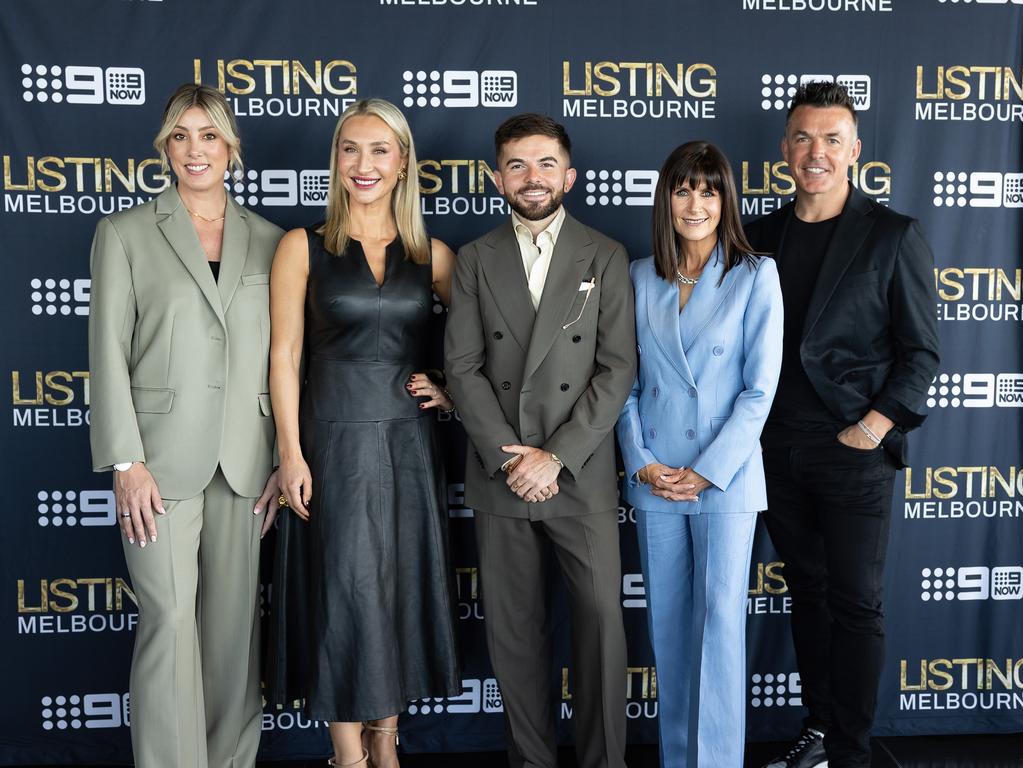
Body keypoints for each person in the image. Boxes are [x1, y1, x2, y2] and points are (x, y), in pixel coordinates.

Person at [88, 83, 284, 768]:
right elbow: (106, 352)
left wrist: (285, 457)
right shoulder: (124, 233)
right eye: (180, 136)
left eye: (207, 135)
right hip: (158, 463)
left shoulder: (272, 241)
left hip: (246, 463)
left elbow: (287, 358)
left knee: (232, 636)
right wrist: (123, 461)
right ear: (164, 148)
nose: (194, 150)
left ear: (231, 146)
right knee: (169, 622)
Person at [745, 82, 940, 768]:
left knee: (856, 603)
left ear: (854, 151)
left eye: (831, 139)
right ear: (784, 150)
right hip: (772, 452)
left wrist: (873, 427)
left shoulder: (893, 235)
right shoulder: (758, 236)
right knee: (807, 596)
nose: (815, 152)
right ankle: (820, 730)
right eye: (803, 138)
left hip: (853, 451)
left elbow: (921, 352)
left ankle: (853, 751)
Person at [266, 98, 460, 768]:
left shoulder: (431, 255)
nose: (364, 164)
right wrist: (290, 452)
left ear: (403, 162)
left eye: (380, 150)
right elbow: (284, 356)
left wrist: (450, 387)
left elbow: (478, 349)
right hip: (332, 440)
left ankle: (386, 738)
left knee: (396, 586)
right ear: (336, 160)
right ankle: (348, 754)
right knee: (343, 587)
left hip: (408, 442)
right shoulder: (301, 246)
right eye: (351, 149)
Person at [445, 113, 637, 768]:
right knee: (515, 640)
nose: (533, 178)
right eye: (518, 165)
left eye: (546, 163)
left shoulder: (605, 255)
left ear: (570, 175)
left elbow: (616, 370)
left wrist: (555, 456)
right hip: (503, 478)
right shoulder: (473, 258)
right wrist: (514, 459)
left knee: (601, 633)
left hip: (575, 474)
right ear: (498, 178)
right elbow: (463, 371)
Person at [617, 141, 783, 768]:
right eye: (683, 189)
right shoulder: (639, 275)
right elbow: (623, 384)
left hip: (724, 482)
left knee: (718, 632)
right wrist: (641, 460)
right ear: (666, 198)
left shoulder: (754, 274)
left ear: (725, 200)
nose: (695, 203)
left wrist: (707, 470)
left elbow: (758, 390)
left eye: (708, 191)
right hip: (657, 480)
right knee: (667, 630)